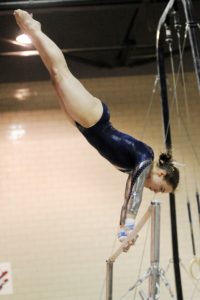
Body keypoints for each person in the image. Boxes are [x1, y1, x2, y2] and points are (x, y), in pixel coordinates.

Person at [14, 10, 179, 251]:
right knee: (60, 73)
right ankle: (34, 28)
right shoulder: (145, 158)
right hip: (95, 119)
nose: (155, 191)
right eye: (161, 189)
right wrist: (129, 225)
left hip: (85, 125)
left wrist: (124, 232)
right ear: (162, 174)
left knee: (55, 75)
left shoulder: (136, 171)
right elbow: (135, 195)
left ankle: (35, 31)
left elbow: (128, 195)